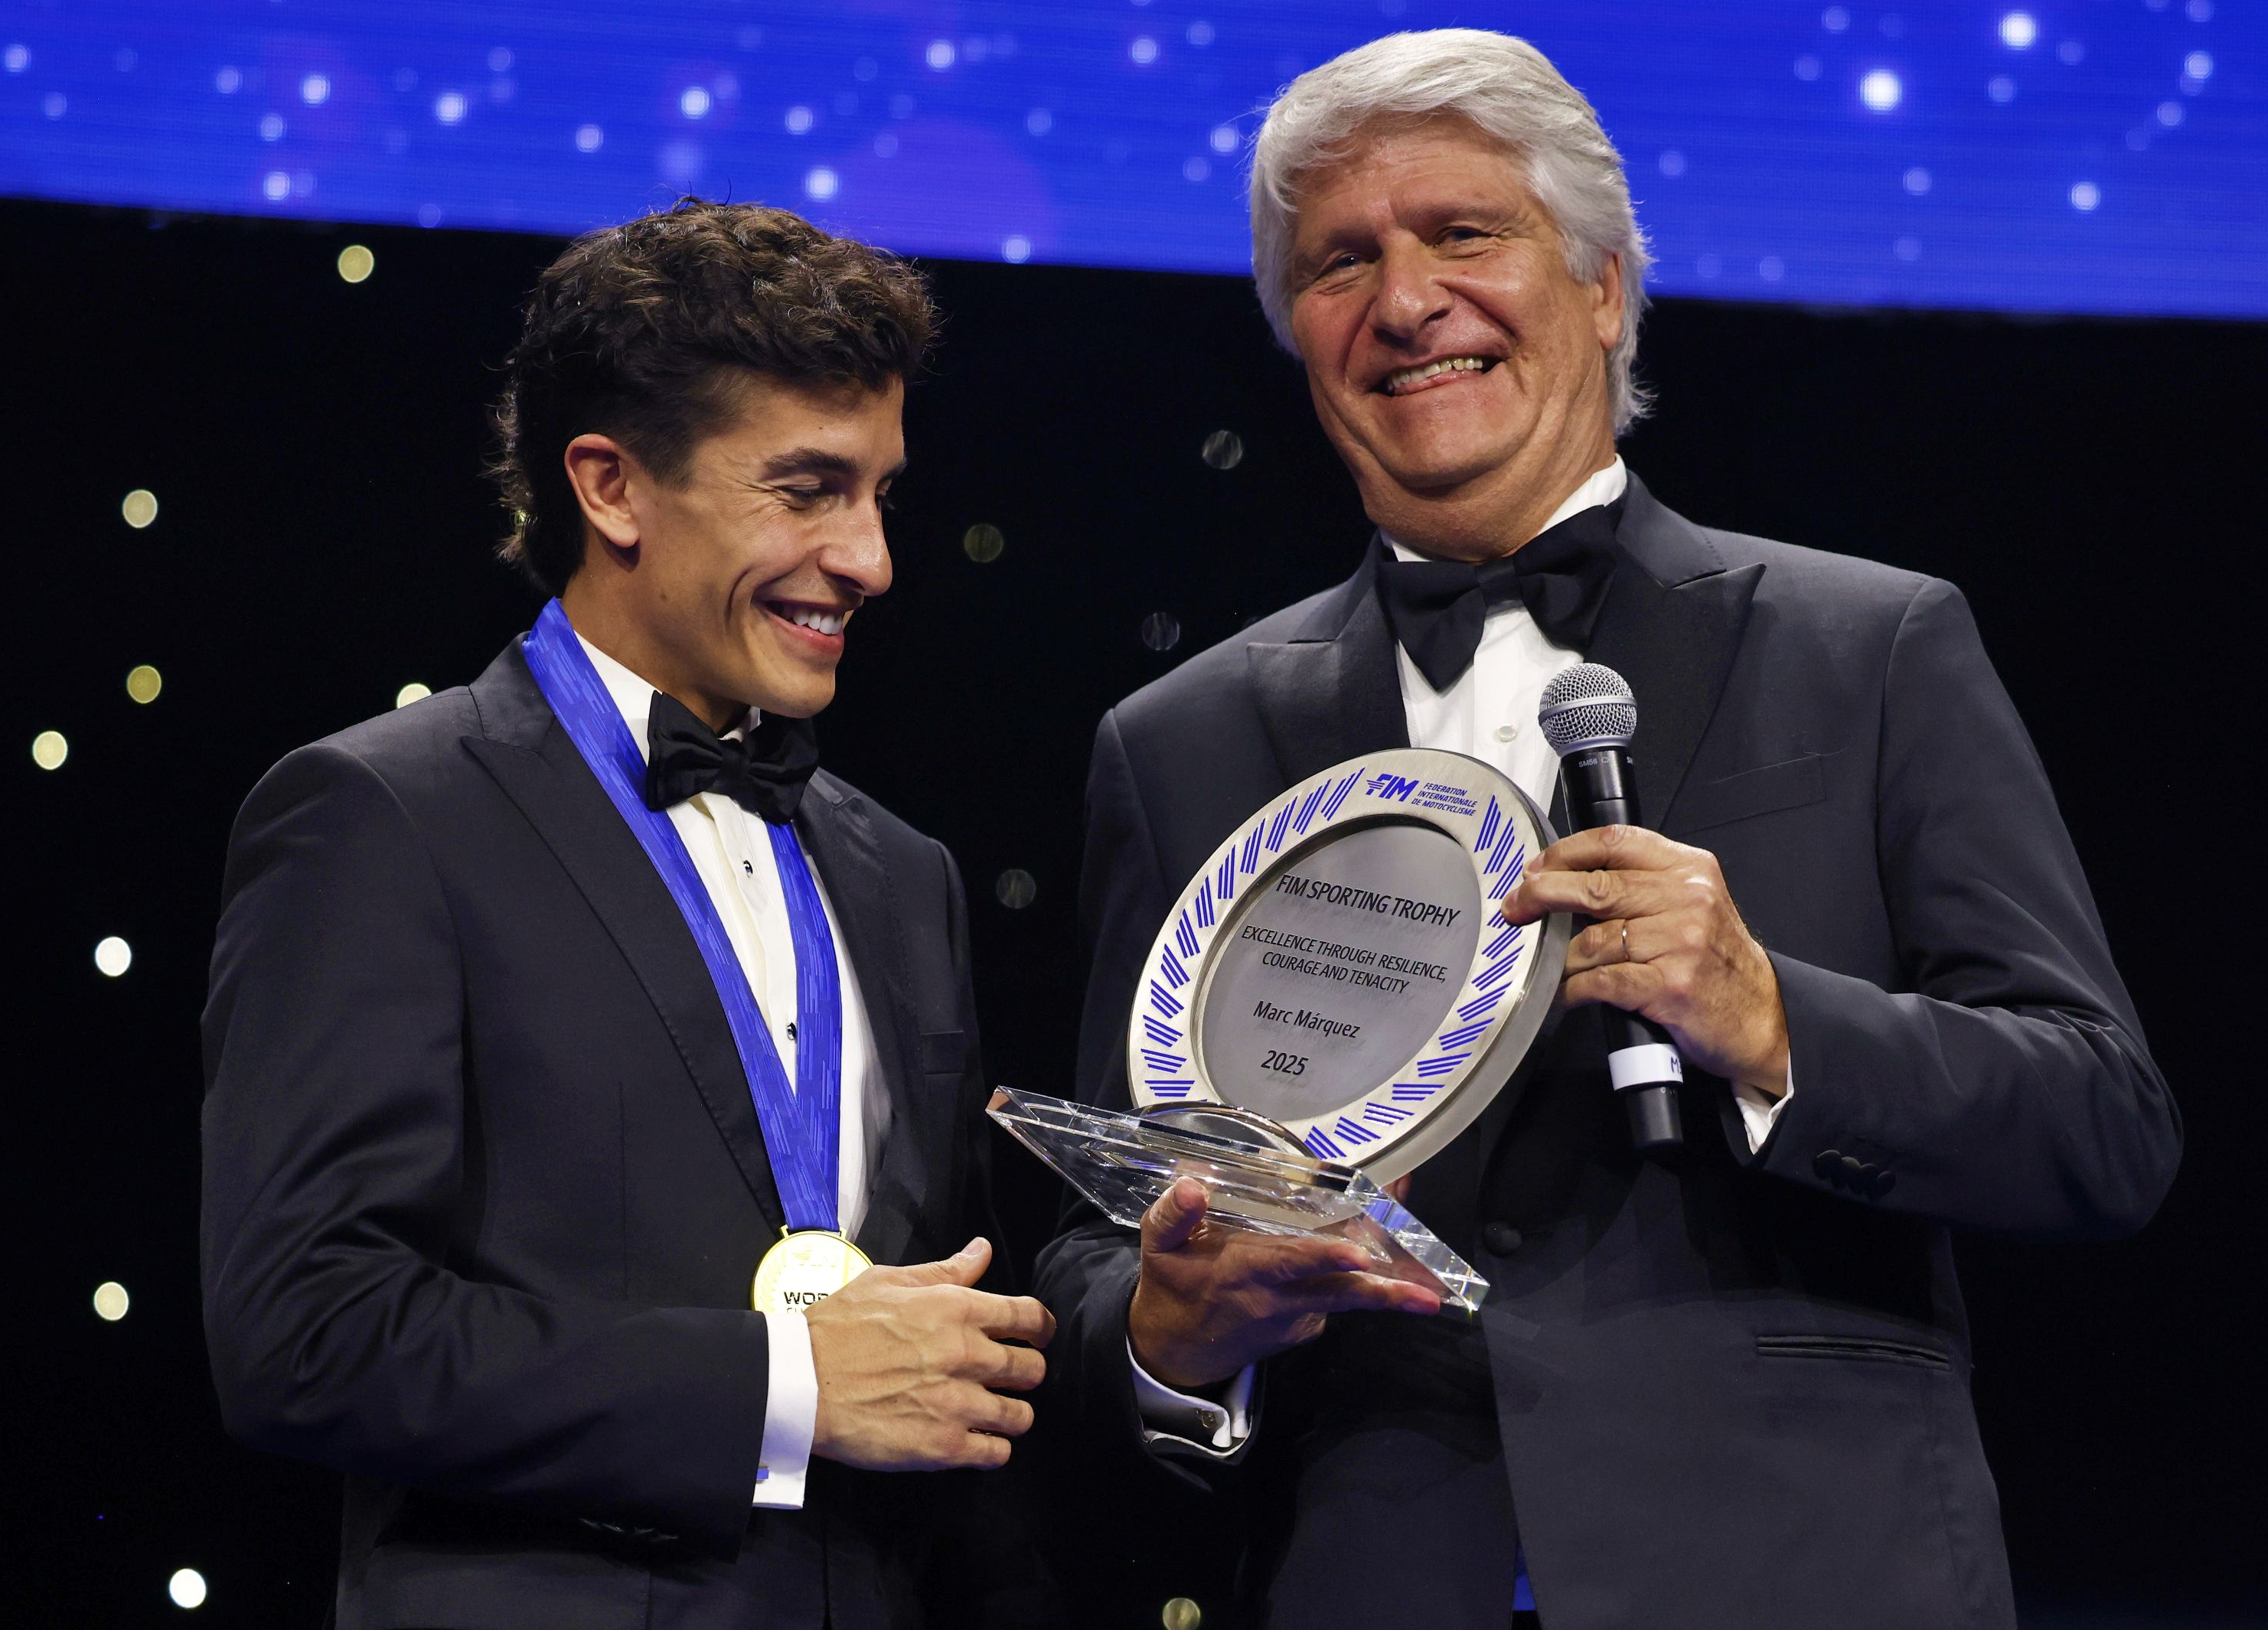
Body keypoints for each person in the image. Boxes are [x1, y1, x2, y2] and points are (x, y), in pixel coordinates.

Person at [1032, 31, 2179, 1630]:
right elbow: (1101, 1236)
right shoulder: (1183, 743)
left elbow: (2103, 1127)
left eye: (1463, 234)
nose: (1407, 301)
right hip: (1376, 1576)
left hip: (1802, 1573)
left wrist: (1777, 1021)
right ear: (1298, 338)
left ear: (1605, 288)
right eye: (1339, 261)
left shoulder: (1873, 646)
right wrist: (1170, 1326)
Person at [200, 200, 1054, 1630]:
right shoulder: (378, 817)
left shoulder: (904, 872)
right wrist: (787, 1386)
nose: (869, 559)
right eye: (805, 491)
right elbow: (308, 1330)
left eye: (879, 494)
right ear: (609, 487)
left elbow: (946, 1376)